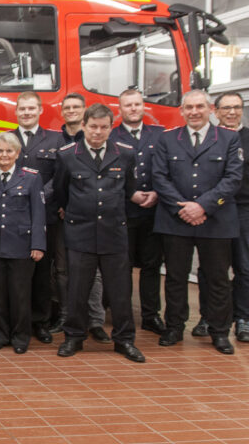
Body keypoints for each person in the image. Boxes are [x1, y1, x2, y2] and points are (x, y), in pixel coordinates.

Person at [153, 90, 242, 355]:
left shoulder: (229, 139)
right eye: (189, 107)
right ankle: (174, 327)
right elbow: (159, 177)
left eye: (199, 107)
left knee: (217, 278)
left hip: (215, 220)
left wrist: (202, 206)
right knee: (175, 277)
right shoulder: (168, 139)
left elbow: (233, 178)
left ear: (210, 109)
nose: (194, 112)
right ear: (181, 111)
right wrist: (183, 207)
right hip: (175, 219)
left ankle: (219, 331)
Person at [54, 104, 145, 363]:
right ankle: (73, 337)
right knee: (77, 291)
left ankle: (124, 340)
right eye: (93, 126)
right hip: (80, 232)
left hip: (113, 233)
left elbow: (129, 190)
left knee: (120, 291)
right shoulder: (67, 155)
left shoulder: (125, 154)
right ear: (83, 126)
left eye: (104, 127)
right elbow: (61, 192)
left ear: (111, 127)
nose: (97, 132)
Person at [191, 92, 249, 343]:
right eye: (226, 108)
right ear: (216, 111)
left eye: (236, 107)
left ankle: (243, 320)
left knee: (243, 266)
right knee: (211, 268)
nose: (231, 112)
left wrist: (248, 199)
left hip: (242, 211)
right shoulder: (209, 137)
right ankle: (208, 317)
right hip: (213, 210)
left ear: (242, 110)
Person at [0, 132, 46, 354]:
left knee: (20, 295)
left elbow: (38, 213)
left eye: (9, 151)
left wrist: (38, 244)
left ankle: (20, 336)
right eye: (0, 151)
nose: (4, 155)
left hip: (21, 246)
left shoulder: (31, 177)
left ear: (17, 154)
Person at [49, 93, 107, 342]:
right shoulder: (53, 140)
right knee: (62, 269)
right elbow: (57, 180)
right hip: (63, 214)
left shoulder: (98, 139)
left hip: (93, 217)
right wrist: (64, 205)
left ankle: (95, 321)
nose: (72, 111)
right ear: (62, 112)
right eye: (67, 107)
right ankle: (65, 315)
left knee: (93, 271)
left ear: (85, 113)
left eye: (77, 107)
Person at [109, 88, 166, 335]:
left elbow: (166, 169)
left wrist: (157, 192)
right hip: (123, 212)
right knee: (123, 267)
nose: (133, 108)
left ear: (144, 107)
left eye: (137, 104)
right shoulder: (110, 137)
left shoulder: (161, 135)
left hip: (154, 212)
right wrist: (130, 193)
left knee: (152, 267)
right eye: (127, 105)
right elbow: (108, 176)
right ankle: (124, 316)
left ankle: (151, 315)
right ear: (119, 110)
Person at [10, 91, 64, 344]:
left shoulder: (56, 138)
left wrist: (38, 196)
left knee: (43, 272)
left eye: (31, 109)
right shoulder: (7, 139)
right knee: (18, 274)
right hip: (13, 218)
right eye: (22, 109)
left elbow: (61, 175)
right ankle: (17, 320)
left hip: (45, 217)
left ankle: (40, 322)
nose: (27, 113)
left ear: (40, 110)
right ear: (16, 111)